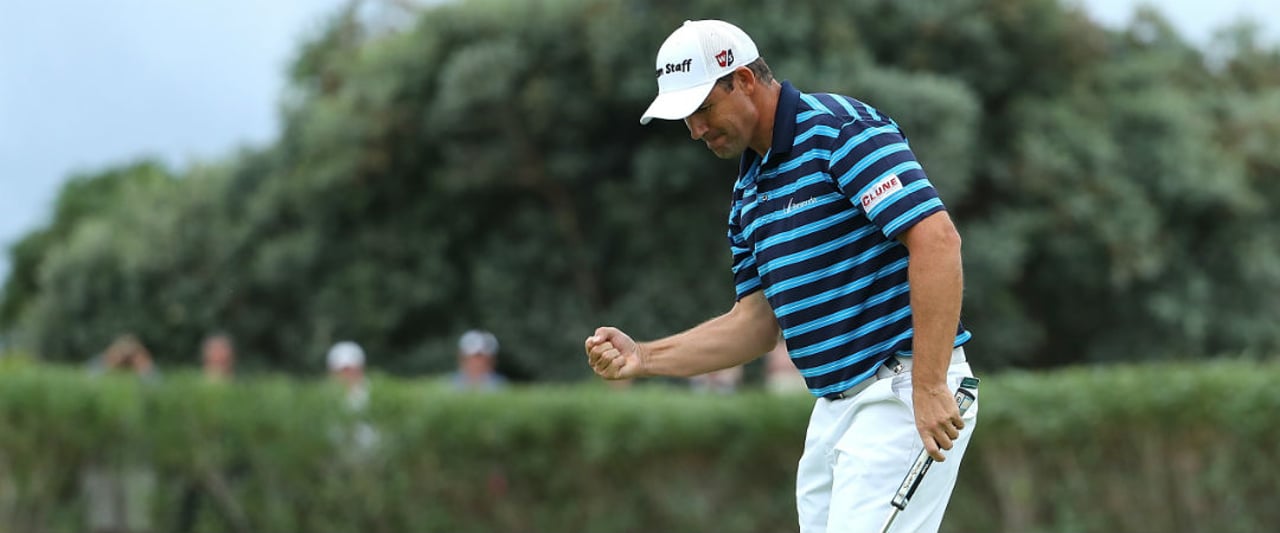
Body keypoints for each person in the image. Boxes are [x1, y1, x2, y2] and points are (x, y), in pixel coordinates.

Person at [584, 19, 978, 533]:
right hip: (835, 408)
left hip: (902, 392)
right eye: (686, 118)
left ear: (744, 81)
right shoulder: (747, 194)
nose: (697, 130)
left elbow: (937, 240)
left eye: (703, 109)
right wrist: (644, 357)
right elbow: (755, 324)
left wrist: (928, 386)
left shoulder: (840, 130)